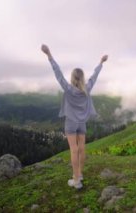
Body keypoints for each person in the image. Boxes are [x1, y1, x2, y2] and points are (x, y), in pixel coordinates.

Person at [41, 44, 108, 189]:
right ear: (82, 78)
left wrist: (49, 54)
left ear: (72, 78)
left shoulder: (68, 88)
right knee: (82, 148)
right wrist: (101, 62)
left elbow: (57, 72)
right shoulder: (87, 88)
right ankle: (80, 174)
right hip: (82, 122)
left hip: (71, 123)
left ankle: (76, 180)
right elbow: (94, 76)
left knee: (74, 150)